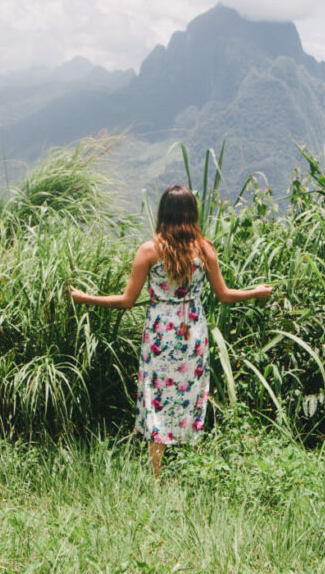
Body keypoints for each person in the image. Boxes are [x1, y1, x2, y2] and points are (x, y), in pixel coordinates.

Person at [69, 185, 272, 478]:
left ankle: (157, 476)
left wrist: (86, 298)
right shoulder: (205, 248)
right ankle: (193, 468)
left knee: (157, 397)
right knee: (191, 395)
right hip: (193, 333)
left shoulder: (150, 250)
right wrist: (255, 292)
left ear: (163, 212)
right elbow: (225, 295)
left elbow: (126, 301)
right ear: (192, 213)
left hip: (160, 335)